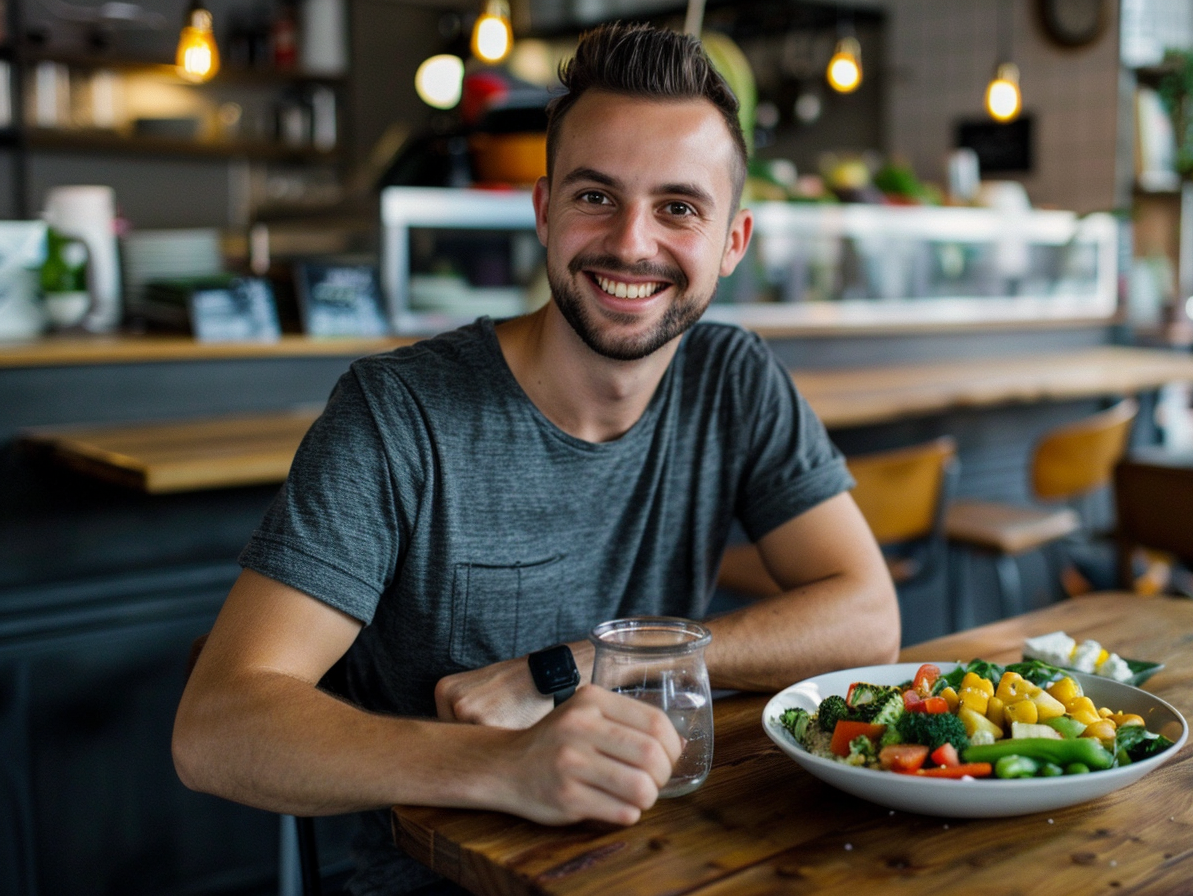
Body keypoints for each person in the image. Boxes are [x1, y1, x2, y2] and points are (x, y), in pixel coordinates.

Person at [173, 21, 900, 896]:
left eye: (679, 207)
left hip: (675, 860)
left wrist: (579, 664)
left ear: (732, 242)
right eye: (597, 196)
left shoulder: (730, 377)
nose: (633, 243)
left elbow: (867, 616)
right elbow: (214, 727)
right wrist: (497, 766)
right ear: (544, 209)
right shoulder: (398, 413)